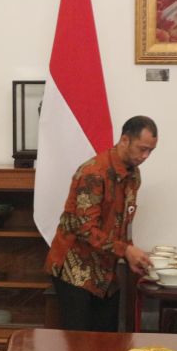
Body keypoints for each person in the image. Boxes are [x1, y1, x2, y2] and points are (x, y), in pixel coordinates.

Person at [45, 115, 158, 332]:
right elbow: (85, 229)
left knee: (107, 345)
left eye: (150, 151)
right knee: (78, 348)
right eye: (142, 148)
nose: (146, 156)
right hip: (75, 271)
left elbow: (122, 220)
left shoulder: (133, 174)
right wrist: (125, 250)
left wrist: (130, 254)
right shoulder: (93, 173)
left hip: (106, 272)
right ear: (125, 140)